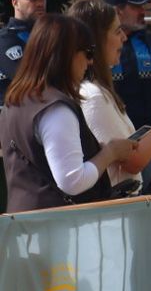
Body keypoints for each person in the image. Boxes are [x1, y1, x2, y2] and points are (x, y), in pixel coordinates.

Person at [0, 14, 131, 212]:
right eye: (88, 53)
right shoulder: (55, 107)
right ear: (66, 55)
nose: (90, 62)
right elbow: (72, 180)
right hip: (57, 228)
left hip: (24, 222)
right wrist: (110, 153)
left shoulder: (16, 99)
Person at [68, 0, 151, 188]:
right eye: (117, 32)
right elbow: (133, 161)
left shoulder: (98, 90)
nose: (124, 39)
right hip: (116, 209)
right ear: (98, 39)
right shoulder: (93, 96)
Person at [104, 0, 151, 130]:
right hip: (114, 135)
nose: (142, 11)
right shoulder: (98, 45)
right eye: (135, 7)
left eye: (142, 6)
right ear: (117, 11)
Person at [0, 0, 49, 97]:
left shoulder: (48, 35)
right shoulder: (6, 39)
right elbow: (28, 82)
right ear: (15, 2)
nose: (40, 4)